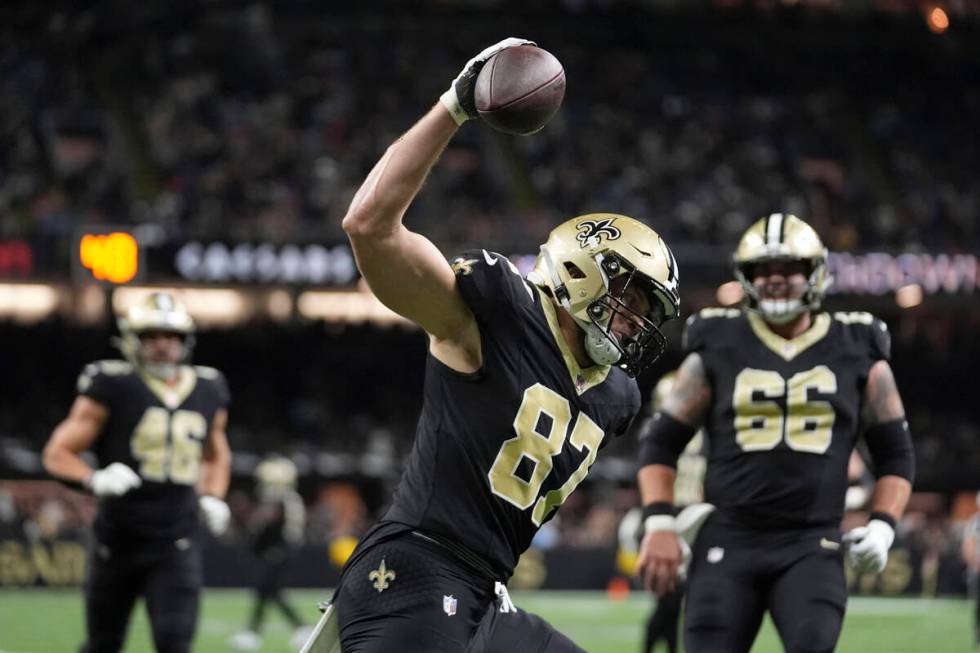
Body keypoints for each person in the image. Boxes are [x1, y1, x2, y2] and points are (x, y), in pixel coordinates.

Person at [310, 37, 681, 653]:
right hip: (413, 572)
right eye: (630, 302)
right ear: (580, 275)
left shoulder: (614, 395)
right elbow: (369, 226)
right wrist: (455, 106)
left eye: (647, 314)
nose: (633, 325)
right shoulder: (498, 314)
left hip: (486, 593)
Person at [635, 213, 915, 653]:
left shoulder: (857, 345)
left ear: (814, 272)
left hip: (812, 542)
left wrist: (883, 526)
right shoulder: (718, 340)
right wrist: (659, 520)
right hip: (728, 536)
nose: (775, 280)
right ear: (746, 277)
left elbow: (896, 453)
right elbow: (660, 442)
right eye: (762, 270)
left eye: (788, 268)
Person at [42, 291, 232, 653]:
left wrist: (212, 495)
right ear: (133, 339)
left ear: (185, 340)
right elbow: (56, 453)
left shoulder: (209, 387)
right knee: (102, 644)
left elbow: (216, 454)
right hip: (117, 540)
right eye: (152, 336)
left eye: (171, 336)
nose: (163, 345)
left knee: (175, 644)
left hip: (177, 539)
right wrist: (93, 478)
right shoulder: (111, 383)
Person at [628, 371, 706, 653]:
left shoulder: (696, 431)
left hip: (691, 516)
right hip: (664, 518)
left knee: (676, 598)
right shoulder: (659, 435)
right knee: (670, 598)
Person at [229, 455, 312, 652]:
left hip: (278, 553)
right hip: (278, 552)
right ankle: (256, 632)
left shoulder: (283, 501)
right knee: (266, 593)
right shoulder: (288, 500)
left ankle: (259, 632)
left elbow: (277, 529)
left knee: (269, 592)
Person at [962, 492, 980, 648]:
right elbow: (968, 546)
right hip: (978, 569)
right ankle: (978, 632)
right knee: (979, 603)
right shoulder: (974, 523)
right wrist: (975, 563)